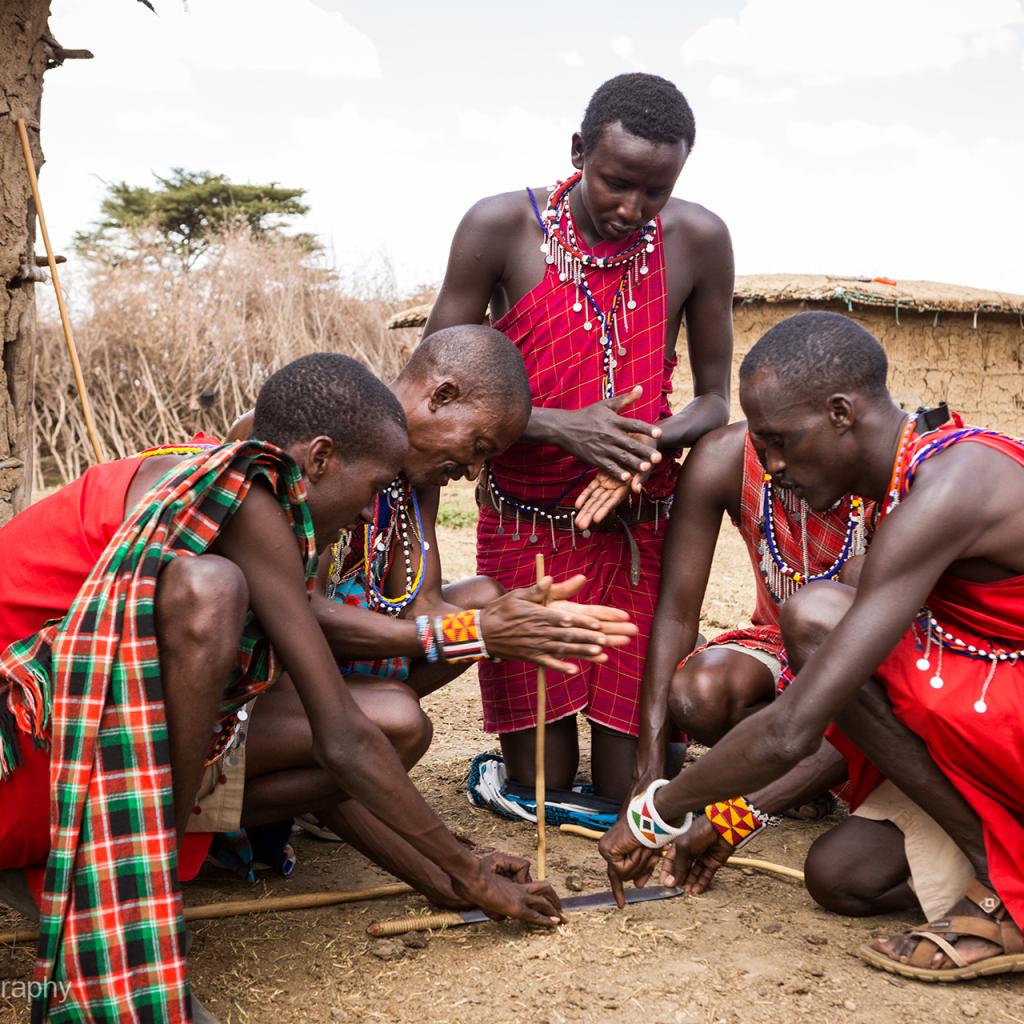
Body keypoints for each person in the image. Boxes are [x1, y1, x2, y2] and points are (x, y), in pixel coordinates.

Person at [0, 353, 567, 1023]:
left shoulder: (252, 499)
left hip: (60, 764)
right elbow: (341, 738)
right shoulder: (241, 496)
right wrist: (464, 869)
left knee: (379, 715)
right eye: (372, 486)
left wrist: (445, 878)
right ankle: (134, 922)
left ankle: (126, 901)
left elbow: (335, 756)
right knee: (213, 592)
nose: (365, 516)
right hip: (22, 757)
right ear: (321, 458)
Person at [600, 312, 1024, 982]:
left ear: (840, 412)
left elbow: (795, 727)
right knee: (838, 876)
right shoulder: (912, 486)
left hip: (1005, 718)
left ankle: (1003, 881)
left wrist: (659, 811)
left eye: (780, 440)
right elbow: (843, 706)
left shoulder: (954, 485)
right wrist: (732, 808)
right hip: (996, 718)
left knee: (819, 619)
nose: (770, 465)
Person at [228, 327, 637, 902]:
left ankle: (349, 774)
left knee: (480, 601)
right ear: (441, 397)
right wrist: (474, 631)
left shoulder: (410, 472)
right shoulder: (299, 441)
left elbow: (424, 601)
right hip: (269, 673)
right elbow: (298, 612)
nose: (472, 471)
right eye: (479, 448)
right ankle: (329, 768)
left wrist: (509, 625)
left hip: (321, 667)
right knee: (398, 713)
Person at [423, 72, 734, 800]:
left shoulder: (699, 239)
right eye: (616, 182)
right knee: (544, 784)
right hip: (526, 523)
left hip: (637, 522)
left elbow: (715, 399)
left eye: (655, 191)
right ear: (577, 152)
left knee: (632, 786)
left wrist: (646, 444)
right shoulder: (499, 228)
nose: (633, 208)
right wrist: (561, 428)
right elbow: (432, 389)